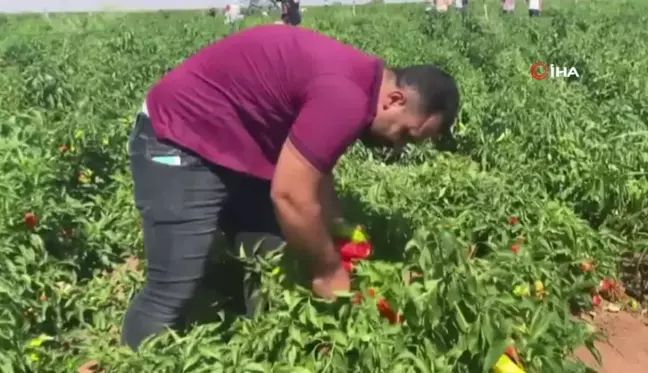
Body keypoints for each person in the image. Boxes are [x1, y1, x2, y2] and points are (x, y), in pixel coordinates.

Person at [120, 24, 459, 351]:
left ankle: (265, 346)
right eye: (405, 135)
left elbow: (317, 171)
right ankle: (134, 359)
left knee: (277, 255)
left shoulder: (362, 82)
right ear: (395, 100)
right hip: (177, 138)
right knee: (172, 289)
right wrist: (329, 273)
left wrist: (337, 231)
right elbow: (290, 195)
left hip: (234, 144)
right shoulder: (346, 97)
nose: (397, 146)